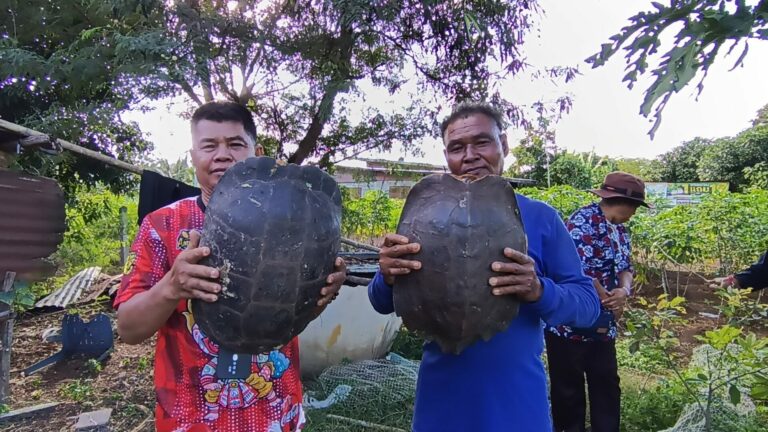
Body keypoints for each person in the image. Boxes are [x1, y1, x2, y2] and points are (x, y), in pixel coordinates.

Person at [367, 102, 601, 431]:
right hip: (440, 404)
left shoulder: (540, 218)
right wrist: (387, 276)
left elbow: (589, 307)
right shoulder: (426, 213)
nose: (470, 156)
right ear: (446, 156)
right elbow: (380, 302)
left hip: (517, 406)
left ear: (503, 145)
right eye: (457, 147)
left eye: (482, 142)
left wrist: (539, 291)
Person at [114, 101, 346, 432]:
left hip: (274, 411)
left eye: (235, 143)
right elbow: (128, 329)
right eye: (209, 145)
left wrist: (321, 292)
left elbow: (296, 317)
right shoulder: (162, 225)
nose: (222, 154)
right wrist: (171, 287)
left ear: (257, 152)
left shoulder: (297, 222)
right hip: (190, 417)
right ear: (192, 155)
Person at [545, 171, 650, 432]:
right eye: (635, 208)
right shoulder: (581, 223)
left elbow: (626, 266)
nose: (634, 214)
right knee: (568, 390)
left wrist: (623, 292)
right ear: (623, 203)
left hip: (604, 326)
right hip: (569, 324)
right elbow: (573, 270)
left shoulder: (621, 230)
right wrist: (604, 298)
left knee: (606, 386)